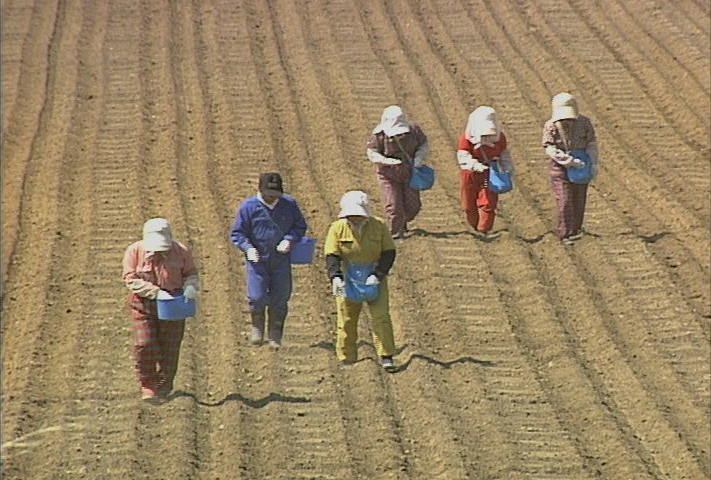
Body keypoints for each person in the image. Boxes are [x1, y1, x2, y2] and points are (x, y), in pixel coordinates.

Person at [122, 218, 199, 403]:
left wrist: (190, 287)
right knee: (145, 344)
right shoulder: (134, 252)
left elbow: (191, 274)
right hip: (144, 305)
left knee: (170, 347)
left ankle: (164, 385)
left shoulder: (181, 252)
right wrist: (155, 292)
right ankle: (147, 383)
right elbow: (130, 279)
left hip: (173, 305)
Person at [230, 172, 308, 349]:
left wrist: (289, 239)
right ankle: (257, 325)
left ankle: (275, 332)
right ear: (261, 190)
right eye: (270, 194)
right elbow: (238, 233)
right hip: (257, 261)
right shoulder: (248, 208)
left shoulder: (289, 205)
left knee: (281, 296)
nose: (273, 198)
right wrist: (248, 248)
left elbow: (300, 226)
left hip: (281, 259)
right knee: (257, 297)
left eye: (276, 195)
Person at [324, 191, 398, 371]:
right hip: (347, 276)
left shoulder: (379, 226)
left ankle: (386, 355)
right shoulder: (337, 228)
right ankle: (346, 356)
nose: (355, 219)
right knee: (346, 318)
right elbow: (331, 255)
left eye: (358, 215)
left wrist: (378, 274)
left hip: (373, 275)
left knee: (381, 317)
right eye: (352, 215)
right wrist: (335, 278)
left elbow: (389, 253)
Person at [541, 92, 598, 244]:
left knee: (579, 197)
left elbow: (591, 142)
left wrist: (592, 161)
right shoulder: (551, 126)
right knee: (565, 199)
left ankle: (576, 229)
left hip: (582, 164)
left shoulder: (584, 123)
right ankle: (564, 233)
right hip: (560, 167)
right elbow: (550, 148)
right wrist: (568, 161)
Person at [366, 105, 430, 240]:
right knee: (394, 205)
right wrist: (386, 161)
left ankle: (403, 220)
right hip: (388, 174)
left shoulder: (414, 131)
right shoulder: (379, 135)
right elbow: (372, 153)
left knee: (413, 206)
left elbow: (423, 145)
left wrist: (419, 158)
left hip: (409, 171)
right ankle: (395, 234)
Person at [456, 106, 513, 239]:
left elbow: (505, 154)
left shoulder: (500, 138)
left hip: (490, 172)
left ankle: (484, 229)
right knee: (468, 204)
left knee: (488, 202)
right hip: (471, 172)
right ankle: (474, 225)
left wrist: (507, 169)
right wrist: (475, 165)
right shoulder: (467, 138)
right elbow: (463, 154)